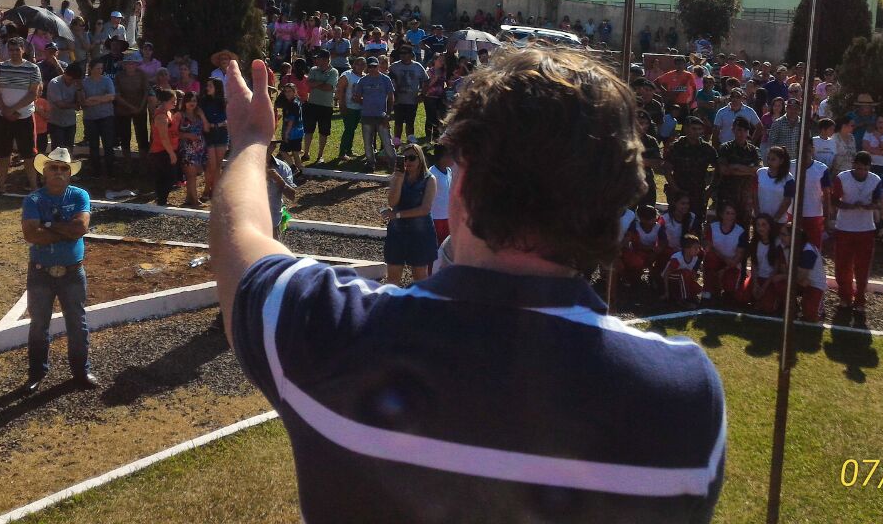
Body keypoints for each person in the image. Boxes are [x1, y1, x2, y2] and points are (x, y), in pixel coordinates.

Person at [211, 48, 725, 520]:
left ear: (465, 184)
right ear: (613, 201)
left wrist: (252, 142)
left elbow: (242, 236)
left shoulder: (327, 329)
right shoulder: (685, 399)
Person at [20, 146, 98, 393]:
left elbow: (80, 229)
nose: (58, 172)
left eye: (64, 168)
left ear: (70, 173)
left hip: (72, 271)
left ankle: (80, 370)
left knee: (77, 323)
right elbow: (31, 234)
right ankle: (36, 372)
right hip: (41, 271)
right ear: (44, 171)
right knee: (38, 324)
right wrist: (64, 229)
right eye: (53, 168)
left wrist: (48, 225)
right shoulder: (33, 199)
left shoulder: (79, 196)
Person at [830, 152, 883, 311]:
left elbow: (878, 202)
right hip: (844, 227)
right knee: (842, 266)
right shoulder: (842, 178)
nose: (861, 171)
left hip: (866, 229)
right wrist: (850, 206)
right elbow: (834, 200)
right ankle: (845, 296)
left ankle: (860, 297)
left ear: (869, 167)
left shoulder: (875, 180)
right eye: (858, 167)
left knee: (863, 267)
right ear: (853, 165)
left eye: (865, 168)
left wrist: (868, 206)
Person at [0, 37, 42, 196]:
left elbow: (33, 93)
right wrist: (5, 110)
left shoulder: (33, 68)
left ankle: (34, 188)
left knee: (28, 155)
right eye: (11, 50)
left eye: (17, 49)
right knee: (4, 154)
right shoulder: (0, 68)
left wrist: (12, 109)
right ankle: (0, 186)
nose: (14, 53)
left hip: (24, 117)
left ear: (23, 50)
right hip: (3, 117)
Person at [381, 143, 437, 283]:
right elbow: (392, 203)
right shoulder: (398, 177)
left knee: (420, 277)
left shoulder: (429, 179)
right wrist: (399, 179)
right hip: (397, 232)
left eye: (412, 158)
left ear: (420, 159)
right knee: (393, 277)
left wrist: (397, 215)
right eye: (404, 158)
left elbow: (425, 209)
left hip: (420, 232)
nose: (407, 162)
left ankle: (420, 305)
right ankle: (391, 304)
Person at [664, 116, 718, 225]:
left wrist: (710, 189)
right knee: (676, 224)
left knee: (696, 225)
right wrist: (675, 189)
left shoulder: (707, 149)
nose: (697, 132)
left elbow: (719, 170)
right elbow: (667, 170)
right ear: (686, 129)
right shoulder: (676, 147)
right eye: (693, 129)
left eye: (699, 129)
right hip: (679, 191)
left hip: (699, 193)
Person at [353, 57, 395, 171]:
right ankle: (370, 163)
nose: (372, 69)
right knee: (367, 142)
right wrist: (365, 101)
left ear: (378, 66)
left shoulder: (385, 79)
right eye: (370, 66)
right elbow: (356, 97)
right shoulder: (362, 81)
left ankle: (393, 163)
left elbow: (391, 98)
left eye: (374, 66)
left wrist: (388, 114)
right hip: (367, 115)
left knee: (387, 142)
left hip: (381, 115)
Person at [702, 202, 746, 303]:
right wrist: (723, 259)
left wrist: (724, 270)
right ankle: (708, 290)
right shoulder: (713, 227)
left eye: (733, 214)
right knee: (710, 258)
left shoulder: (740, 232)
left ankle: (726, 290)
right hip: (716, 262)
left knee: (730, 288)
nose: (730, 216)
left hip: (731, 265)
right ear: (721, 214)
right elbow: (708, 248)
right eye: (727, 213)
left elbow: (738, 258)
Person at [80, 60, 116, 177]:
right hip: (90, 118)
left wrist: (94, 99)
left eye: (101, 68)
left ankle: (110, 170)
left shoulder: (107, 80)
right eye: (97, 68)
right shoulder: (84, 83)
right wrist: (102, 99)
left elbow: (111, 96)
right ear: (90, 69)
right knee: (93, 145)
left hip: (106, 116)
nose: (99, 71)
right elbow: (84, 102)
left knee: (108, 144)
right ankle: (96, 171)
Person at [302, 49, 338, 162]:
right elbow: (308, 83)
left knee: (323, 132)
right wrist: (322, 83)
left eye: (319, 58)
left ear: (326, 59)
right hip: (312, 104)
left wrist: (316, 84)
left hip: (326, 106)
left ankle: (320, 155)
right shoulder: (313, 69)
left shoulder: (333, 72)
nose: (316, 60)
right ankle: (306, 153)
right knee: (309, 130)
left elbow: (329, 87)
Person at [150, 88, 180, 204]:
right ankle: (161, 200)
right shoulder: (161, 116)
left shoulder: (168, 112)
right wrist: (171, 153)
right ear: (165, 101)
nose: (175, 103)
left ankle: (162, 199)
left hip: (169, 149)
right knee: (166, 177)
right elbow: (163, 137)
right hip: (161, 151)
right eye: (172, 101)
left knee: (170, 176)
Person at [200, 77, 228, 200]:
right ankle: (207, 188)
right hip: (209, 134)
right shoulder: (204, 101)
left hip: (222, 133)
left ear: (217, 87)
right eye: (207, 86)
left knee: (218, 164)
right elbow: (199, 112)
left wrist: (219, 124)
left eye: (210, 86)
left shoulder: (224, 101)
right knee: (211, 164)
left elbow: (229, 118)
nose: (207, 88)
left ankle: (216, 190)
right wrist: (206, 122)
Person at [755, 146, 795, 224]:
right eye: (768, 158)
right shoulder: (760, 172)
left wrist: (774, 220)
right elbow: (754, 194)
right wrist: (757, 214)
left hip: (778, 222)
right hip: (759, 220)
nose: (769, 162)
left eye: (773, 159)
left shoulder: (788, 178)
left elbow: (787, 202)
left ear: (781, 161)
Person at [427, 145, 453, 245]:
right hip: (435, 217)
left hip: (447, 216)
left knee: (445, 246)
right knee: (436, 246)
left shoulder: (449, 171)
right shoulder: (432, 173)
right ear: (442, 157)